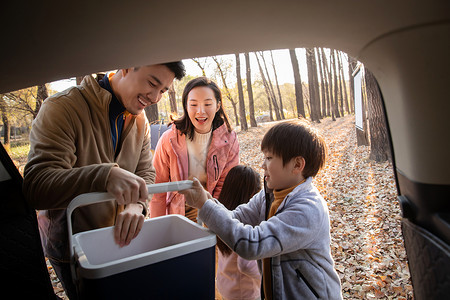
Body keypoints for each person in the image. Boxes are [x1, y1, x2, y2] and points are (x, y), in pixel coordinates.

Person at [23, 62, 185, 299]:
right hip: (73, 247)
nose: (155, 97)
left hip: (119, 241)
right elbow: (37, 185)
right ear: (127, 66)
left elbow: (146, 174)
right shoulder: (63, 107)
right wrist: (104, 176)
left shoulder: (141, 122)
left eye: (162, 91)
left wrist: (136, 205)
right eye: (152, 83)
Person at [180, 121, 343, 300]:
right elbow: (236, 217)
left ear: (297, 165)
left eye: (269, 158)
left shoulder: (307, 210)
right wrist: (206, 200)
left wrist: (205, 205)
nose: (263, 165)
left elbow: (252, 244)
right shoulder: (269, 194)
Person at [150, 76, 239, 223]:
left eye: (207, 104)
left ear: (217, 106)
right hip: (178, 216)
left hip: (211, 212)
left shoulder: (229, 140)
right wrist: (157, 228)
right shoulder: (169, 140)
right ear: (185, 106)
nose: (200, 111)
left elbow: (224, 187)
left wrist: (214, 224)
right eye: (193, 104)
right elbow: (157, 190)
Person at [216, 165, 262, 300]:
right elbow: (246, 264)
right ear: (252, 196)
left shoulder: (221, 216)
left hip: (225, 286)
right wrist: (268, 275)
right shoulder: (246, 224)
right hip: (245, 293)